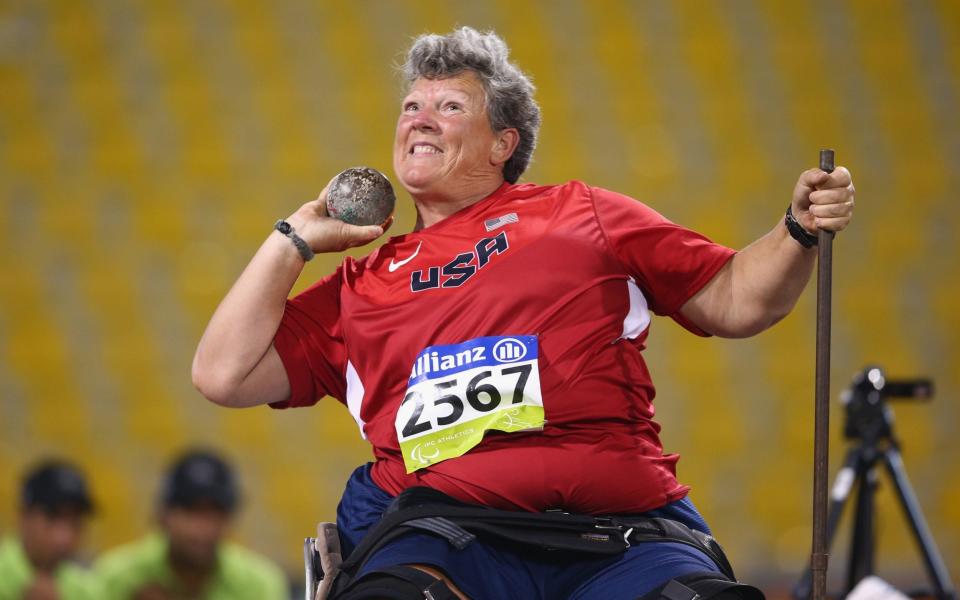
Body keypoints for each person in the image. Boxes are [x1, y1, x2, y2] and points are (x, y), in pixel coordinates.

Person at [191, 26, 855, 600]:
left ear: (502, 143)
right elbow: (223, 374)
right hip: (447, 538)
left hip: (623, 534)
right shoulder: (361, 284)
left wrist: (797, 228)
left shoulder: (580, 212)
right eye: (410, 106)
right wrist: (295, 240)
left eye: (449, 106)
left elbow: (741, 300)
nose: (418, 118)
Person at [95, 449, 287, 600]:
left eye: (215, 513)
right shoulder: (116, 577)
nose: (203, 528)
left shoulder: (260, 583)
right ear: (163, 514)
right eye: (191, 510)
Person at [0, 460, 100, 600]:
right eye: (52, 518)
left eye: (75, 522)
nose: (65, 537)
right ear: (23, 517)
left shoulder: (84, 588)